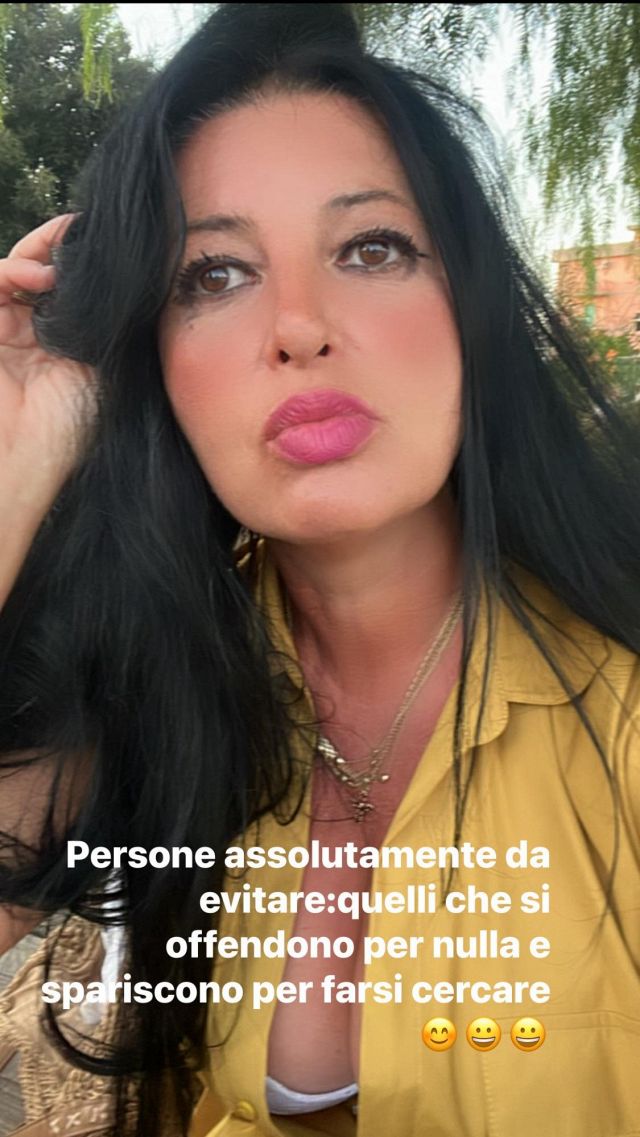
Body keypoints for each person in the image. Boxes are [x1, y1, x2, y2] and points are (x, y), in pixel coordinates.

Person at [0, 4, 638, 1136]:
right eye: (214, 274)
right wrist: (21, 451)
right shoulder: (155, 672)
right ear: (150, 352)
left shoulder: (618, 697)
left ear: (471, 303)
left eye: (371, 248)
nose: (298, 327)